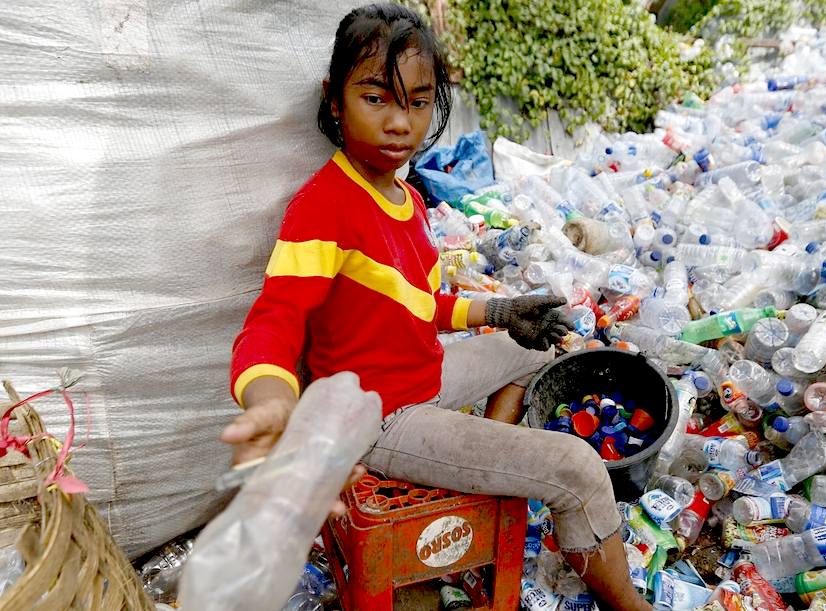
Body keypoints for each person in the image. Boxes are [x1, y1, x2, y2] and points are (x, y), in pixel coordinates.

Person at [219, 5, 651, 610]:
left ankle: (476, 480)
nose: (399, 123)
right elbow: (274, 320)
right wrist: (274, 403)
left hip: (423, 373)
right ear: (335, 100)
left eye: (418, 103)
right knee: (576, 467)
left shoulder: (408, 198)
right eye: (377, 98)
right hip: (380, 416)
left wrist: (496, 315)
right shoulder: (323, 208)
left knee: (534, 350)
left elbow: (415, 303)